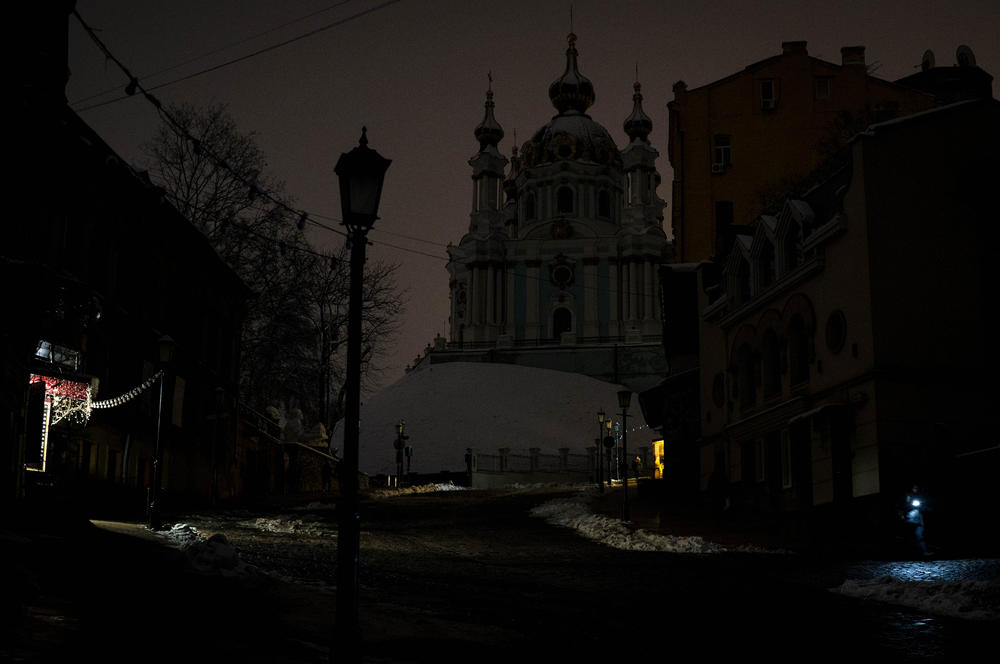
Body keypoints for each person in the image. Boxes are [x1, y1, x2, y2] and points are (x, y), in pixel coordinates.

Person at [904, 484, 931, 557]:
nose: (915, 489)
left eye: (917, 488)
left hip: (918, 516)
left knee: (919, 534)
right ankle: (912, 552)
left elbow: (924, 505)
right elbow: (906, 505)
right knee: (911, 535)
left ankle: (924, 551)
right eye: (914, 488)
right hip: (911, 516)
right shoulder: (908, 495)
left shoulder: (920, 496)